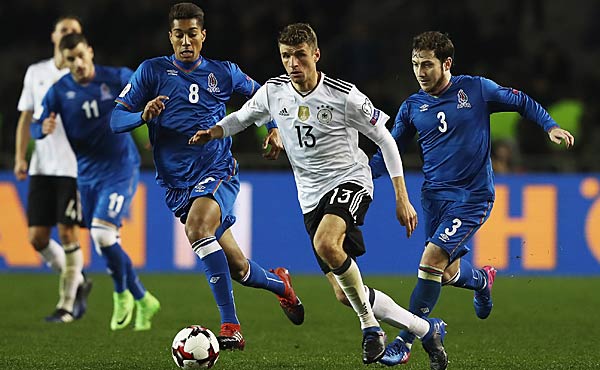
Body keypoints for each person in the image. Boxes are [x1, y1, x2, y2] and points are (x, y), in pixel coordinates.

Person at [189, 23, 448, 369]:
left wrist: (402, 196)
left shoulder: (344, 95)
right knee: (346, 294)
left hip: (350, 181)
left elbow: (385, 139)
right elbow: (243, 117)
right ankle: (426, 330)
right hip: (310, 199)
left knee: (327, 243)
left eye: (299, 55)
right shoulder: (274, 92)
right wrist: (215, 131)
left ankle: (371, 329)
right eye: (285, 56)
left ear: (315, 54)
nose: (292, 63)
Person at [370, 31, 575, 366]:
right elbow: (389, 152)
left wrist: (549, 125)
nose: (420, 71)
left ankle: (407, 338)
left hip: (472, 197)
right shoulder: (412, 107)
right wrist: (362, 174)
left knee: (431, 259)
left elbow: (521, 101)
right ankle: (482, 280)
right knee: (446, 272)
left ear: (446, 63)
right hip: (434, 198)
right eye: (414, 64)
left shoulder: (476, 89)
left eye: (427, 64)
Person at [110, 3, 304, 350]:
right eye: (179, 34)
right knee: (239, 269)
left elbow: (266, 96)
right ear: (170, 37)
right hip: (176, 184)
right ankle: (281, 286)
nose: (186, 41)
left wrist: (274, 129)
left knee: (198, 228)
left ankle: (231, 326)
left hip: (216, 171)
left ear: (203, 35)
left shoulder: (223, 72)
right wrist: (141, 115)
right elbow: (115, 120)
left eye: (192, 33)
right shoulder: (150, 72)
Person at [30, 33, 160, 331]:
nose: (77, 63)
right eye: (70, 59)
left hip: (120, 168)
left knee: (102, 236)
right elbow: (37, 124)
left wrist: (153, 129)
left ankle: (121, 293)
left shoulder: (116, 78)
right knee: (105, 242)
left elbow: (150, 93)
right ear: (64, 61)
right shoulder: (59, 91)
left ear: (90, 51)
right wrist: (42, 129)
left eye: (80, 56)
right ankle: (143, 298)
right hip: (86, 176)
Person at [14, 15, 92, 323]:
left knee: (69, 232)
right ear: (54, 36)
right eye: (64, 30)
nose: (69, 34)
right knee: (37, 238)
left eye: (75, 31)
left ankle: (66, 305)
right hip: (42, 165)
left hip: (72, 167)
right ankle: (80, 279)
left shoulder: (86, 76)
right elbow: (26, 117)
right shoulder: (36, 72)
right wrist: (21, 156)